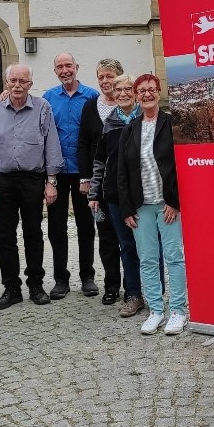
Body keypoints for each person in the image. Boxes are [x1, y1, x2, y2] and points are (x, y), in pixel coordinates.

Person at [0, 64, 64, 310]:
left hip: (33, 179)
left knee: (33, 234)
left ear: (30, 84)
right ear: (6, 82)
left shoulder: (42, 107)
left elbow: (51, 144)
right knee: (4, 236)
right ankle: (11, 288)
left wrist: (51, 182)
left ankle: (36, 284)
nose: (18, 85)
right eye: (13, 80)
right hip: (2, 180)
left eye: (23, 81)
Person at [117, 73, 188, 335]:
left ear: (159, 92)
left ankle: (178, 311)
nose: (146, 94)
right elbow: (121, 172)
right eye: (141, 91)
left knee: (174, 258)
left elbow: (181, 166)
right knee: (147, 259)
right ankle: (156, 310)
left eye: (151, 89)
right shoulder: (130, 129)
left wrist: (175, 201)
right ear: (136, 96)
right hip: (141, 206)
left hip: (167, 204)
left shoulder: (172, 124)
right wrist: (127, 209)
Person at [43, 53, 103, 300]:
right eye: (60, 66)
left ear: (77, 67)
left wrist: (91, 175)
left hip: (83, 172)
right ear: (55, 71)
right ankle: (60, 279)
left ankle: (87, 277)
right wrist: (49, 178)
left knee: (86, 225)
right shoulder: (48, 98)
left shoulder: (92, 97)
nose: (65, 70)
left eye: (68, 65)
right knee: (56, 228)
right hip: (56, 172)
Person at [88, 74, 147, 317]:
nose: (122, 93)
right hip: (113, 194)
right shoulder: (109, 123)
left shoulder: (147, 119)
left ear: (135, 92)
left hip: (145, 194)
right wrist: (94, 192)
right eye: (118, 89)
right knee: (127, 245)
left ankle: (153, 291)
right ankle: (133, 293)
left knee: (149, 246)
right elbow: (100, 161)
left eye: (127, 89)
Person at [76, 58, 123, 304]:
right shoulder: (90, 106)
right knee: (106, 236)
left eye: (110, 76)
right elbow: (83, 144)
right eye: (101, 77)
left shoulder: (128, 105)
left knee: (129, 236)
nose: (105, 81)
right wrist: (86, 179)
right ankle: (112, 285)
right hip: (99, 182)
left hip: (126, 183)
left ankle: (134, 287)